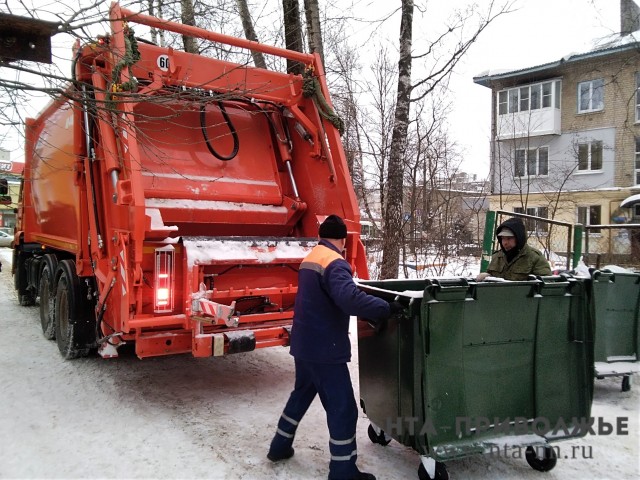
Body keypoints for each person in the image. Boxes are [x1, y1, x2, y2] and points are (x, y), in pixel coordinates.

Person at [267, 214, 401, 480]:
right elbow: (348, 299)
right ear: (342, 239)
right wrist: (385, 308)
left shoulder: (311, 258)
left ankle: (279, 446)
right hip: (324, 349)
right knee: (343, 409)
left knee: (301, 395)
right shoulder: (335, 262)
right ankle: (343, 471)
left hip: (304, 344)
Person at [478, 217, 552, 281]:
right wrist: (487, 276)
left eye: (509, 238)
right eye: (503, 238)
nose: (505, 243)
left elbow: (546, 286)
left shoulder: (534, 257)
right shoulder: (497, 257)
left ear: (519, 238)